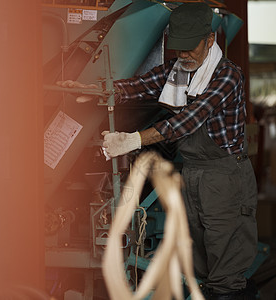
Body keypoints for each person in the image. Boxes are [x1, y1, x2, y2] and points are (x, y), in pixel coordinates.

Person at [58, 2, 258, 299]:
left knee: (225, 273)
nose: (184, 55)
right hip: (192, 174)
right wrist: (96, 90)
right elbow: (141, 85)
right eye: (179, 48)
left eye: (190, 48)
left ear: (210, 40)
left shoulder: (227, 75)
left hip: (224, 177)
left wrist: (133, 140)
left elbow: (189, 120)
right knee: (200, 268)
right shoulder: (179, 70)